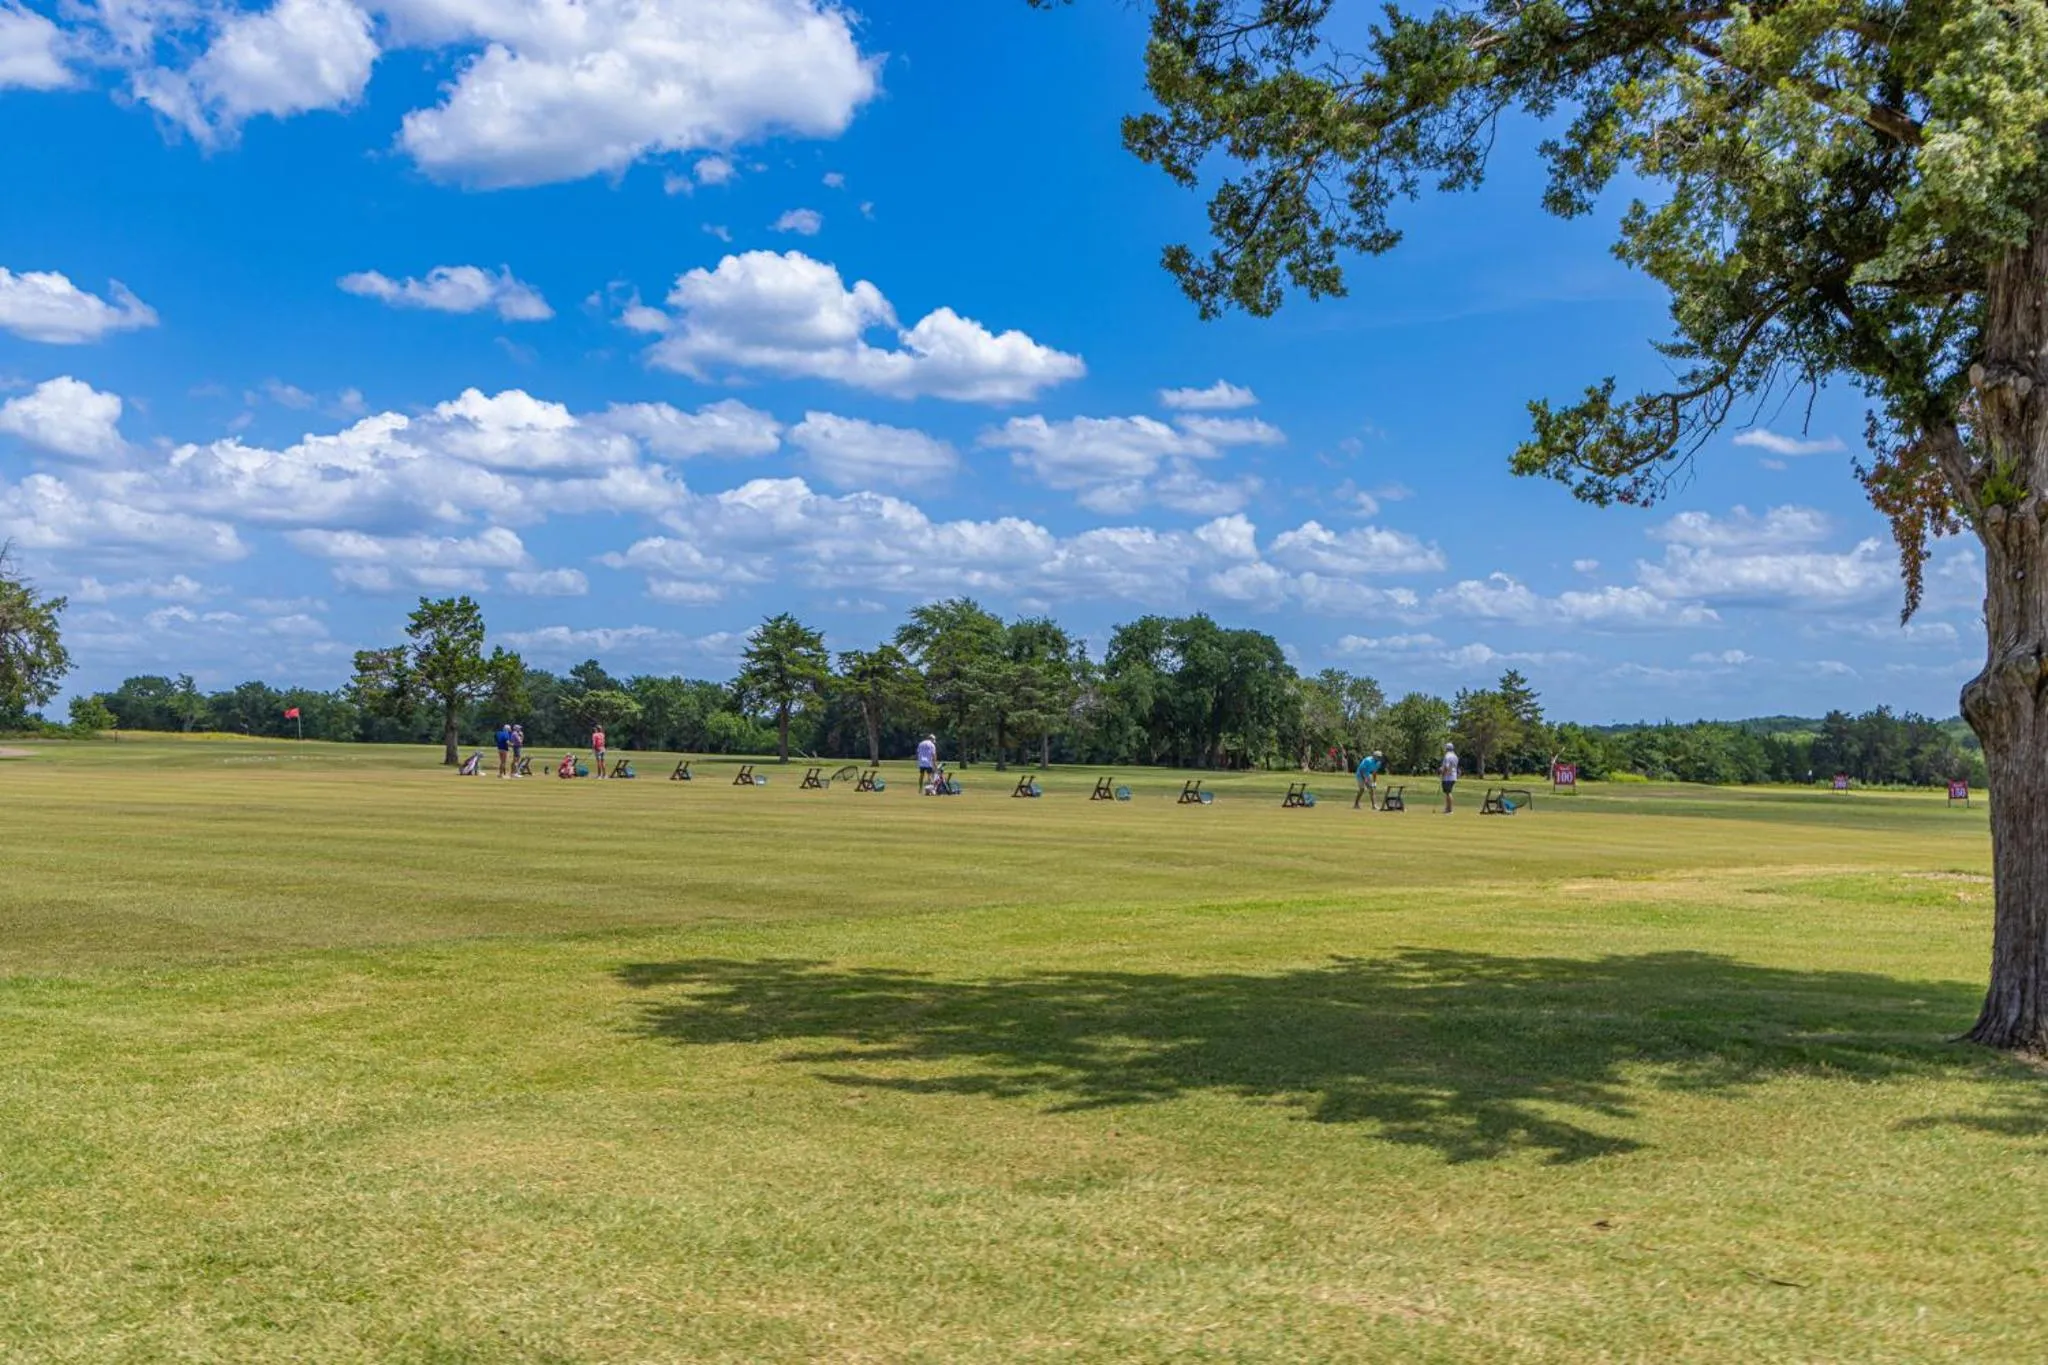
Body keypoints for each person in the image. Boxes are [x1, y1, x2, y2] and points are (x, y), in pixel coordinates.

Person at [1440, 742, 1460, 813]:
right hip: (1453, 776)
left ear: (1447, 749)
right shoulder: (1455, 756)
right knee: (1447, 792)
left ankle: (1450, 809)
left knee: (1448, 793)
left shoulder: (1447, 756)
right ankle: (1447, 808)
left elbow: (1447, 767)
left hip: (1447, 777)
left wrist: (1443, 773)